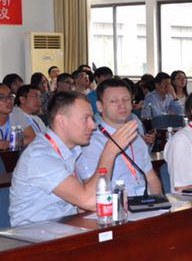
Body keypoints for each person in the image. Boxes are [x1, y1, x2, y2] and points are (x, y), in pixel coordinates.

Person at [8, 91, 137, 226]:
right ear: (61, 121)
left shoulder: (73, 149)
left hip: (65, 225)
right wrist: (110, 150)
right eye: (86, 118)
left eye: (92, 118)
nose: (93, 126)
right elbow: (91, 201)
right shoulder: (40, 155)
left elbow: (84, 201)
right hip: (35, 233)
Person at [76, 78, 163, 197]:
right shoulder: (90, 142)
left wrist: (159, 203)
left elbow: (151, 178)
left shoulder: (136, 138)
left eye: (126, 100)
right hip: (116, 204)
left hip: (145, 204)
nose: (122, 105)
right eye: (113, 101)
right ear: (100, 106)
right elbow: (92, 192)